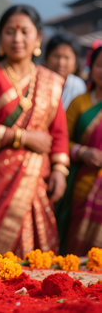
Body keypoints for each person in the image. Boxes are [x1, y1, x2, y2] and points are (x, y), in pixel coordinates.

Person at [0, 4, 70, 258]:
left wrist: (60, 171)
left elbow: (59, 133)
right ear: (0, 38)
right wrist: (23, 137)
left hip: (35, 180)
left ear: (38, 38)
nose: (17, 39)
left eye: (24, 32)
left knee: (35, 258)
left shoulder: (51, 82)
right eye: (10, 32)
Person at [56, 45, 102, 255]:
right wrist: (84, 152)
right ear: (91, 68)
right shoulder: (79, 103)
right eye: (100, 65)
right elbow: (62, 140)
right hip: (80, 183)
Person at [44, 34, 87, 110]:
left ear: (75, 62)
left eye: (66, 57)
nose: (61, 63)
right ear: (46, 58)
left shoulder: (78, 86)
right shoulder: (38, 81)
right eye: (56, 56)